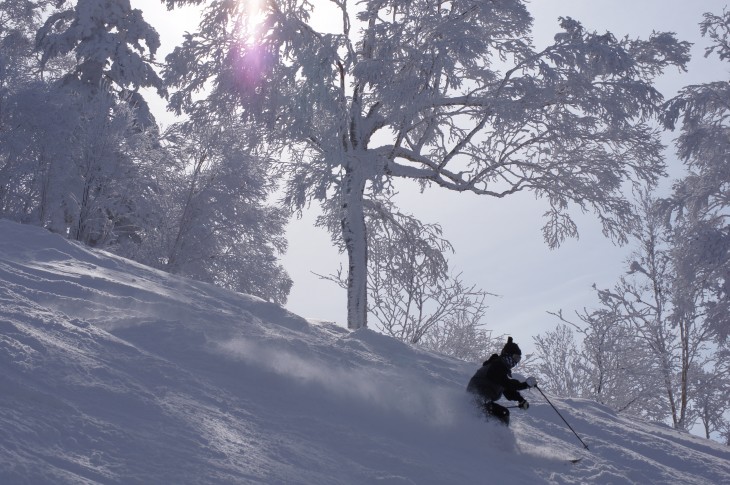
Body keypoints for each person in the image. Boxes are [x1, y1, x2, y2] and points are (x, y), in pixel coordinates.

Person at [466, 336, 537, 425]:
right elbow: (507, 384)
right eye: (515, 357)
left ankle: (490, 435)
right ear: (507, 355)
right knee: (503, 413)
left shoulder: (501, 369)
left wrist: (520, 400)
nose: (516, 362)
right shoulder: (496, 366)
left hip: (481, 401)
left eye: (518, 359)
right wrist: (526, 384)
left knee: (502, 413)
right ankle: (492, 436)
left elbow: (508, 391)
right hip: (476, 400)